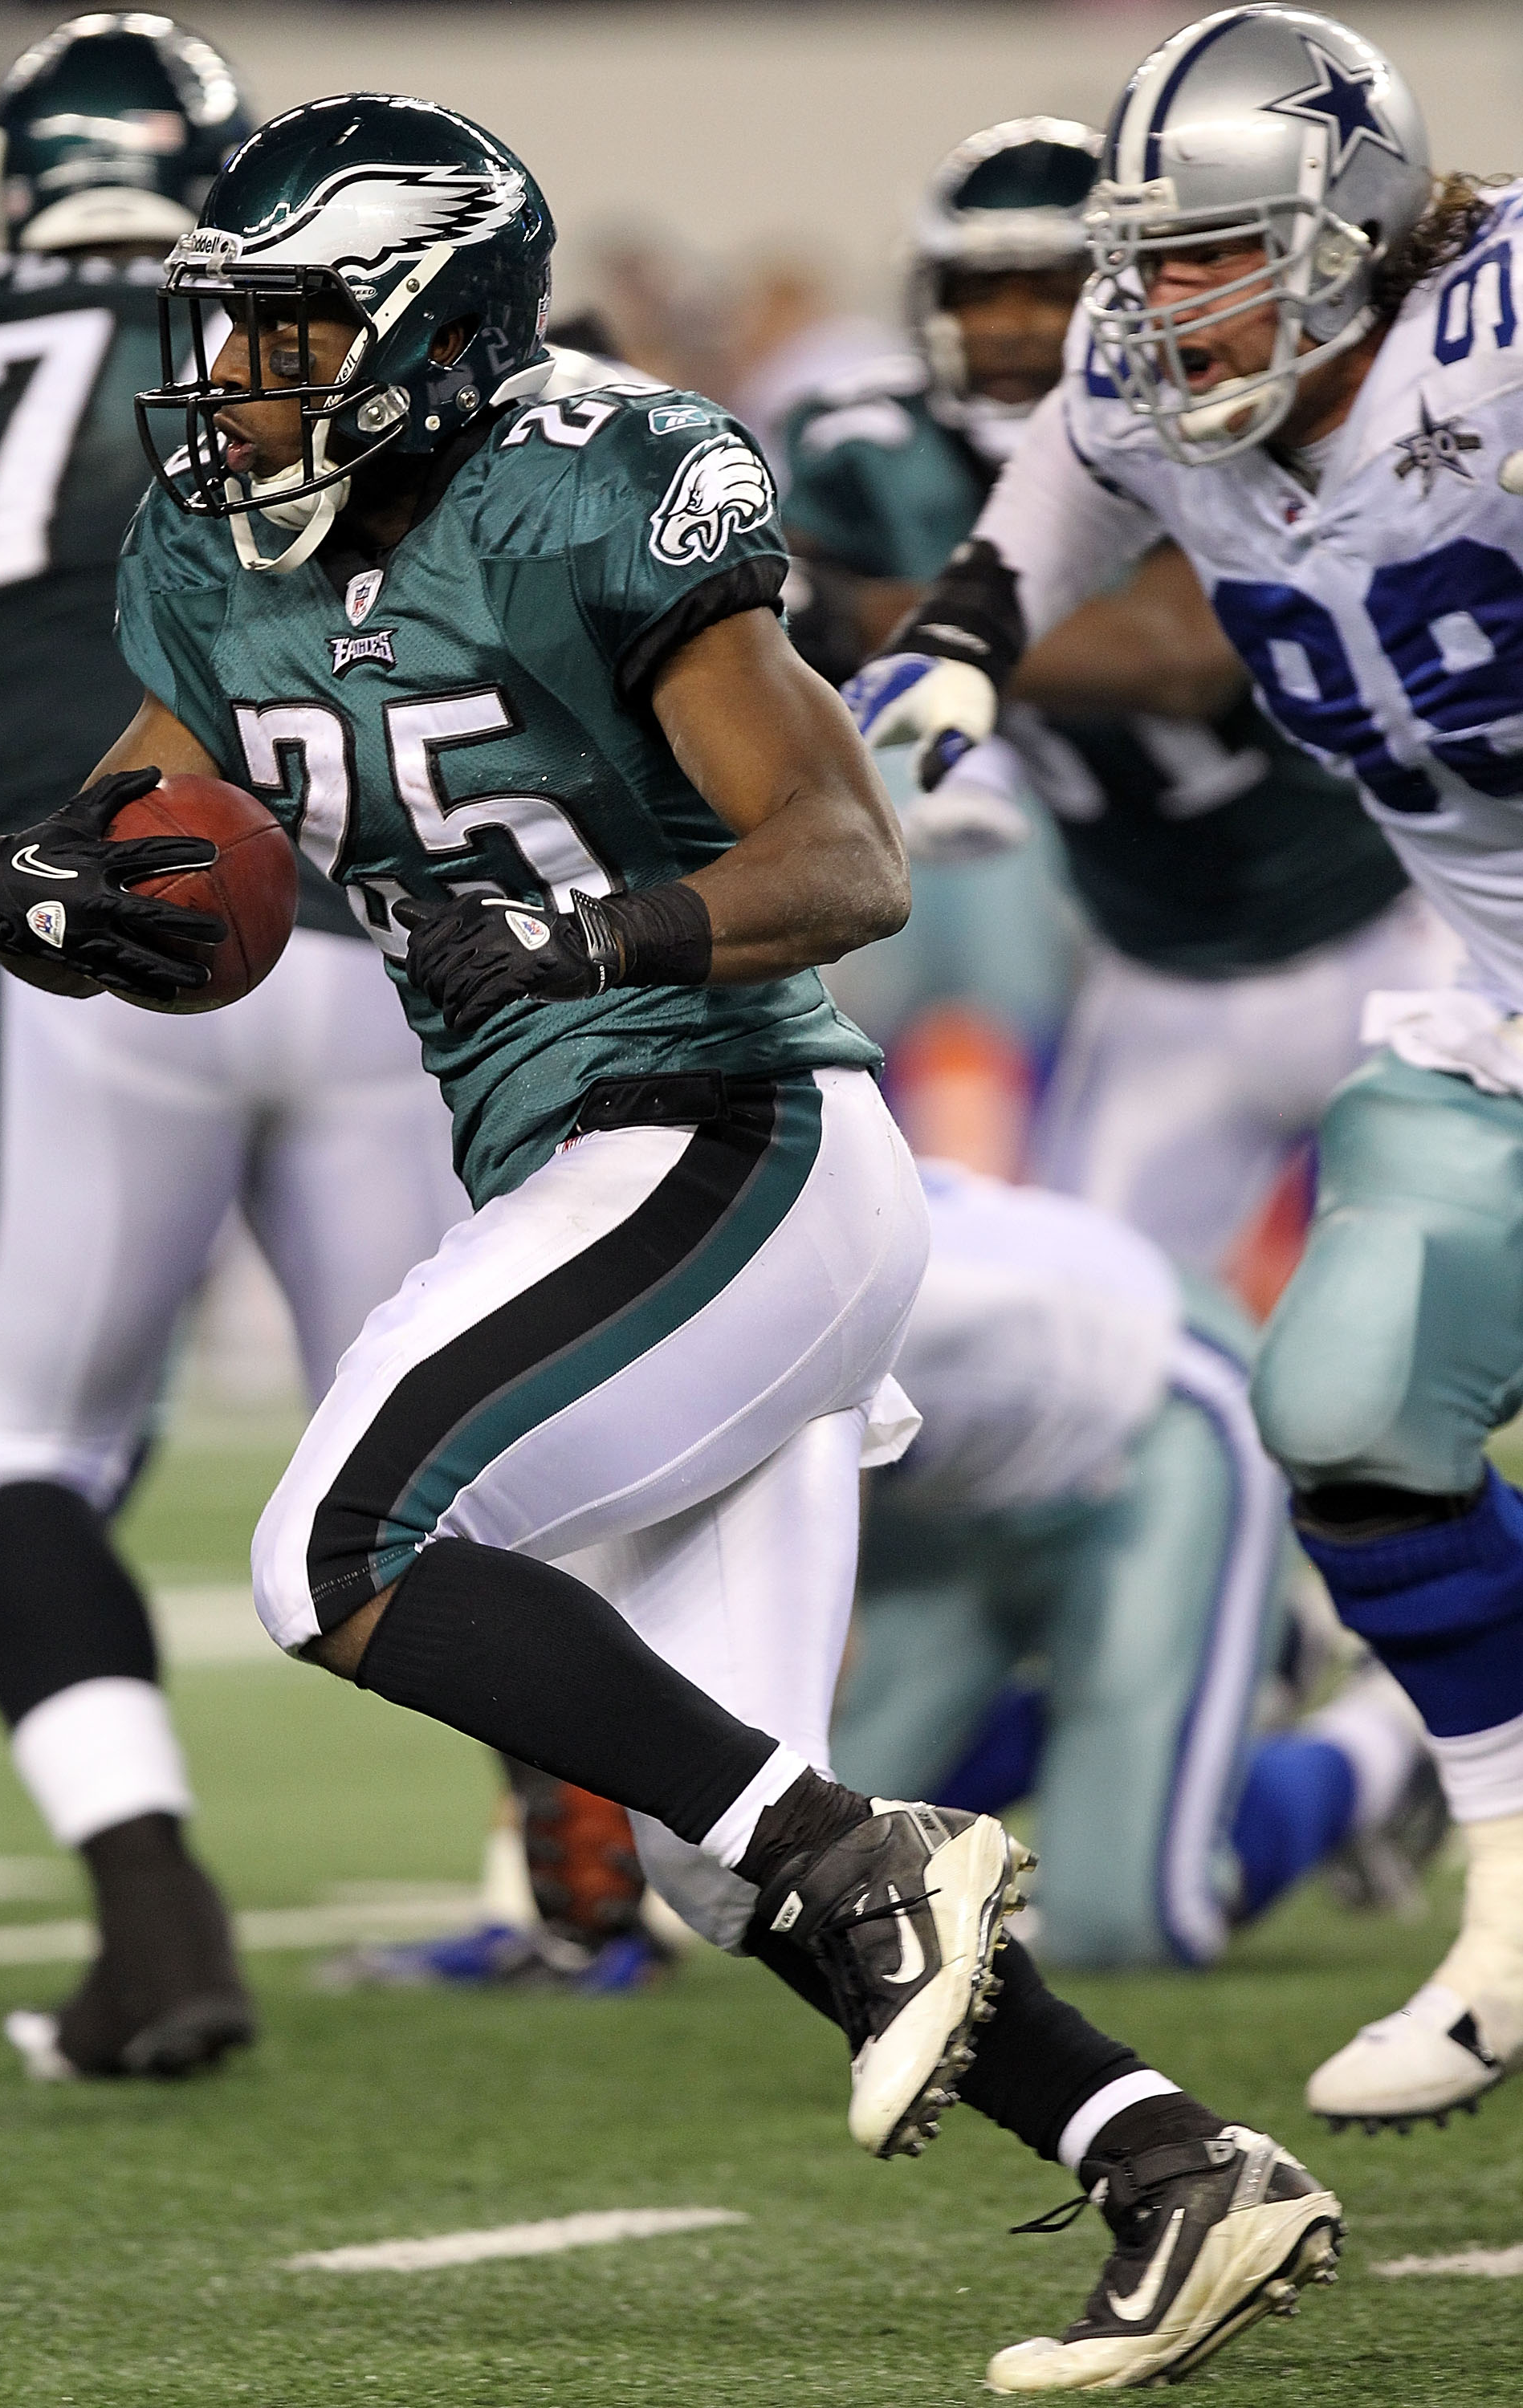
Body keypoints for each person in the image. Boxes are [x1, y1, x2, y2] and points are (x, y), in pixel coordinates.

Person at [0, 92, 1342, 2391]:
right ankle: (1174, 2170)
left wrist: (604, 929)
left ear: (423, 331)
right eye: (230, 339)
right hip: (599, 1184)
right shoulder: (209, 569)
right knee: (724, 1849)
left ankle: (868, 1855)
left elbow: (845, 855)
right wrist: (54, 890)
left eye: (288, 337)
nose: (238, 389)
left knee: (335, 1547)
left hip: (731, 1138)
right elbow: (163, 846)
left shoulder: (589, 488)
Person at [845, 4, 1523, 2134]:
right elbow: (1035, 519)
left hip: (1374, 955)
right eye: (1144, 257)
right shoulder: (1145, 388)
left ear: (1340, 230)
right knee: (1337, 1414)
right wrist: (947, 660)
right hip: (1488, 1012)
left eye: (1207, 251)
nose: (1155, 303)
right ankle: (1509, 1899)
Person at [0, 13, 469, 2079]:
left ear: (12, 180)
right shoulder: (308, 309)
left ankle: (151, 1899)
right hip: (377, 933)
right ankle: (675, 1847)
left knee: (13, 1447)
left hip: (78, 922)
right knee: (454, 1451)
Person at [787, 113, 1452, 1279]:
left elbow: (1177, 653)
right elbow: (754, 597)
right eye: (978, 292)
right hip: (1159, 971)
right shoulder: (868, 446)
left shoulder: (1227, 405)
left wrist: (852, 616)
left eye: (1050, 292)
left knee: (1450, 1298)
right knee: (1108, 1318)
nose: (1010, 329)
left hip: (1386, 928)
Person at [835, 1159, 1437, 1968]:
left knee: (1120, 1925)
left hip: (1149, 1411)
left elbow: (805, 1620)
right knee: (787, 1877)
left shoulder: (770, 1291)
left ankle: (1383, 1744)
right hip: (937, 1486)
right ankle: (1230, 1669)